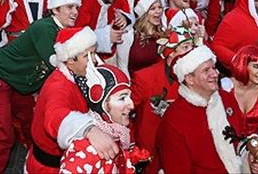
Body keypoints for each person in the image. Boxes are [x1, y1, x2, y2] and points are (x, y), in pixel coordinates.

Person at [0, 0, 81, 173]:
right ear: (55, 9)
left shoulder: (62, 30)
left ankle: (32, 162)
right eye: (69, 7)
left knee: (31, 122)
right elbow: (57, 63)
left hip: (18, 83)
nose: (75, 12)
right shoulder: (45, 27)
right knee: (2, 137)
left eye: (77, 7)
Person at [27, 27, 119, 173]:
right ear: (70, 60)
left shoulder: (79, 74)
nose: (94, 60)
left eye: (94, 53)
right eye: (87, 55)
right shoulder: (58, 86)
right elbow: (55, 116)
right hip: (48, 168)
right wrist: (89, 130)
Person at [156, 45, 242, 173]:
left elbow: (241, 139)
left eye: (214, 68)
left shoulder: (227, 99)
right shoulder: (174, 120)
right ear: (190, 79)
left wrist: (250, 160)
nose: (215, 74)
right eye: (206, 70)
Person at [60, 63, 146, 173]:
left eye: (129, 97)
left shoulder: (118, 132)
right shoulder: (87, 150)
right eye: (122, 98)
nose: (131, 105)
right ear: (102, 104)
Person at [131, 27, 194, 174]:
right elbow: (125, 112)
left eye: (192, 46)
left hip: (183, 155)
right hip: (151, 156)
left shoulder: (195, 79)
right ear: (170, 52)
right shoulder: (144, 78)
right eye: (185, 47)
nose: (191, 52)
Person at [220, 45, 258, 139]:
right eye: (256, 66)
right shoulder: (222, 89)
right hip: (225, 145)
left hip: (256, 147)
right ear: (243, 65)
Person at [126, 0, 165, 74]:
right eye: (153, 8)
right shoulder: (130, 35)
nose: (158, 11)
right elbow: (123, 67)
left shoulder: (163, 34)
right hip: (135, 83)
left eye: (160, 7)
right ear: (143, 13)